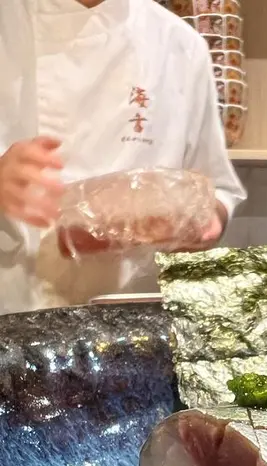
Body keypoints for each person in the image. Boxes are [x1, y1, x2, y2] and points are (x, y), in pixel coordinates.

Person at [0, 0, 245, 314]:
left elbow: (218, 189)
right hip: (14, 312)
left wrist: (204, 221)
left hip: (132, 319)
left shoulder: (180, 46)